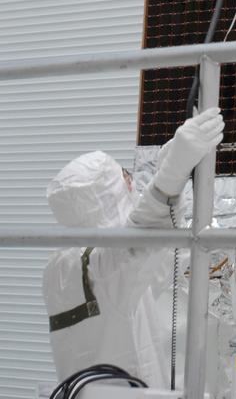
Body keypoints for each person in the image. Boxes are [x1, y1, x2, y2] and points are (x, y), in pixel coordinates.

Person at [43, 107, 224, 388]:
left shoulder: (64, 265)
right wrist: (172, 172)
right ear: (106, 196)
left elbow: (158, 263)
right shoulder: (94, 268)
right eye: (125, 178)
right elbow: (140, 240)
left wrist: (169, 177)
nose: (132, 186)